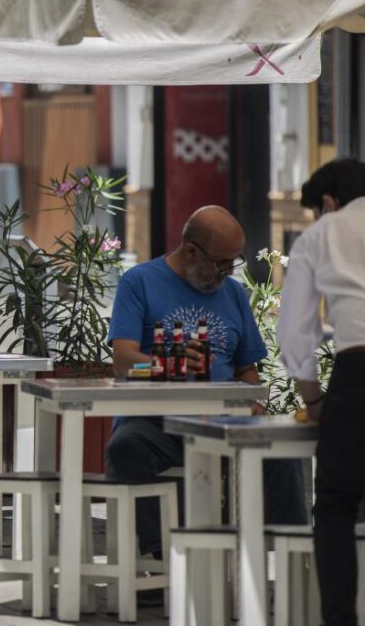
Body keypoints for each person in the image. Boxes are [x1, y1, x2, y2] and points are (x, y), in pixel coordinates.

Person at [105, 206, 307, 568]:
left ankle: (290, 561)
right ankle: (161, 555)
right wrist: (170, 364)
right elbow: (122, 363)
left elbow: (247, 368)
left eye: (234, 262)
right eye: (220, 262)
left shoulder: (234, 294)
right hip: (157, 422)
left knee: (283, 452)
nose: (227, 271)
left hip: (221, 422)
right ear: (191, 250)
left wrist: (252, 400)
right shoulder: (139, 282)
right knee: (125, 448)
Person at [277, 159, 365, 626]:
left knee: (335, 503)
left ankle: (340, 620)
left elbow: (295, 330)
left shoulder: (323, 234)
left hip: (359, 369)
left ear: (328, 203)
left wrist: (313, 400)